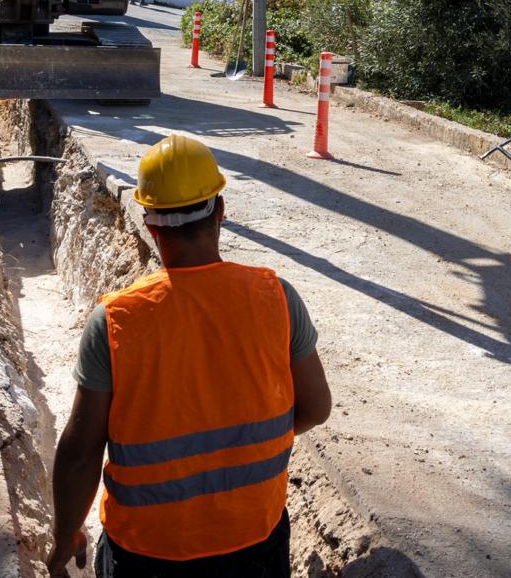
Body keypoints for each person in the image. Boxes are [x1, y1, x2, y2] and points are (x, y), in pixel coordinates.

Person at [46, 134, 333, 576]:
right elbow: (316, 408)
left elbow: (81, 452)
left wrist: (66, 533)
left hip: (146, 553)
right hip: (254, 544)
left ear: (150, 225)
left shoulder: (116, 320)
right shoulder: (277, 297)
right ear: (220, 211)